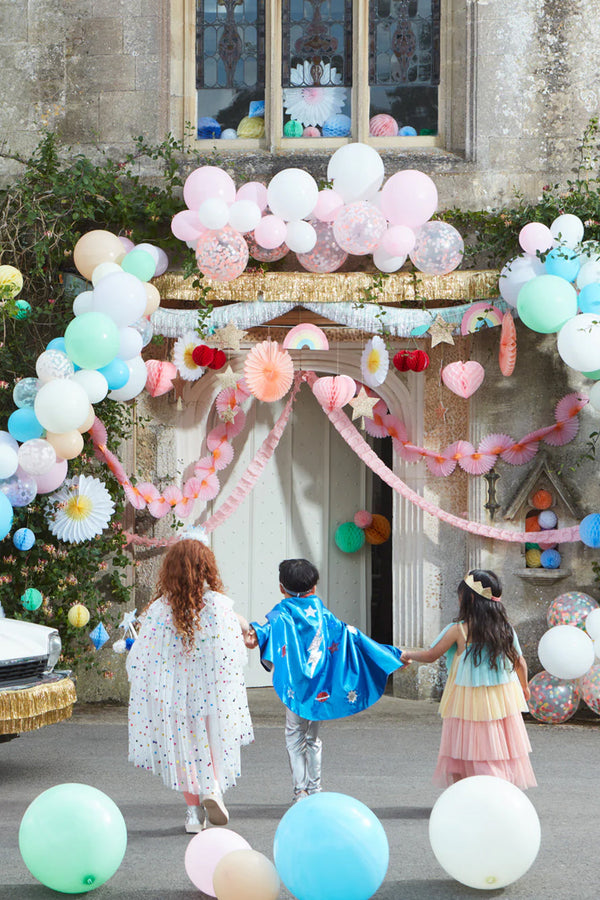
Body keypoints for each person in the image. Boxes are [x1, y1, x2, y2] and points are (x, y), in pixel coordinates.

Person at [246, 558, 405, 803]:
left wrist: (253, 633)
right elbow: (352, 635)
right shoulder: (322, 613)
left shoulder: (281, 614)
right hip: (320, 685)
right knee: (312, 737)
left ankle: (300, 791)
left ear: (281, 588)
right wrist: (390, 655)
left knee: (294, 735)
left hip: (295, 687)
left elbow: (265, 630)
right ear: (314, 587)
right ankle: (316, 788)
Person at [126, 538, 254, 833]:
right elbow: (238, 646)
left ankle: (194, 814)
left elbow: (141, 659)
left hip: (176, 697)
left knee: (183, 749)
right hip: (213, 694)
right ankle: (214, 791)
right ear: (207, 568)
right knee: (214, 745)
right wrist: (248, 631)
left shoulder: (159, 610)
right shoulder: (220, 607)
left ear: (170, 571)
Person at [401, 569, 536, 789]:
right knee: (496, 744)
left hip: (465, 700)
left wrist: (407, 654)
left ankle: (466, 791)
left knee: (465, 746)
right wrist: (524, 686)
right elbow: (520, 662)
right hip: (500, 699)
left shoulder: (459, 630)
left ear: (469, 598)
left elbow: (431, 655)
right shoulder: (505, 629)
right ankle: (497, 788)